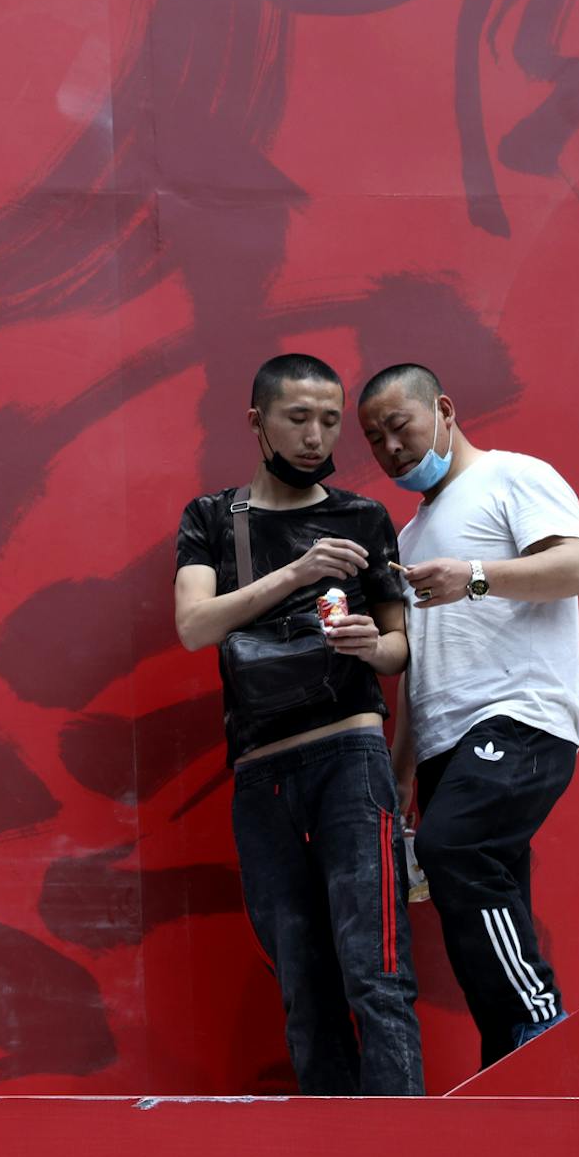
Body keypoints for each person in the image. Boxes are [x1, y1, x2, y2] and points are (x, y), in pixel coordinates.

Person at [175, 353, 422, 1095]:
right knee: (302, 985)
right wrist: (298, 573)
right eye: (297, 417)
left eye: (328, 420)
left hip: (350, 756)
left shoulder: (363, 516)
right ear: (258, 421)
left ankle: (403, 1150)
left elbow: (399, 648)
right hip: (261, 773)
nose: (316, 436)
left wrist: (369, 646)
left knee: (375, 971)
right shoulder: (213, 518)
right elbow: (193, 625)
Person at [357, 363, 579, 1067]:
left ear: (445, 408)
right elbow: (421, 663)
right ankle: (515, 1062)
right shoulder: (407, 539)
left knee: (454, 849)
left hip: (521, 719)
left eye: (399, 426)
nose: (391, 448)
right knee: (483, 901)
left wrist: (479, 575)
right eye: (375, 440)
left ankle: (539, 1021)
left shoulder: (512, 477)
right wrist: (400, 770)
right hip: (442, 745)